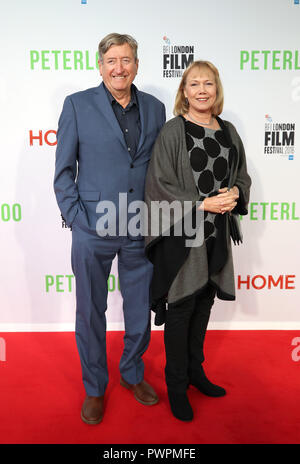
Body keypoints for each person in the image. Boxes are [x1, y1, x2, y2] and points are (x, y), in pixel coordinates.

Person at [54, 33, 166, 425]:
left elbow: (157, 167)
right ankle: (95, 388)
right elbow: (64, 172)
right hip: (92, 229)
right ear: (100, 65)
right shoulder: (77, 105)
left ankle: (133, 373)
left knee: (139, 309)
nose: (119, 67)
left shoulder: (155, 107)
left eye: (127, 59)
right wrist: (79, 220)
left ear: (137, 64)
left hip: (140, 226)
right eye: (111, 60)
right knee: (90, 312)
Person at [145, 60, 251, 421]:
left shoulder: (229, 131)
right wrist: (202, 203)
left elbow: (243, 177)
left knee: (205, 303)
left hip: (216, 234)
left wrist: (236, 193)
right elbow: (158, 184)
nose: (202, 90)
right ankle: (176, 385)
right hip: (184, 235)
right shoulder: (175, 131)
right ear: (184, 92)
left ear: (216, 90)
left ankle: (195, 372)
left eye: (208, 83)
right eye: (194, 84)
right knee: (182, 308)